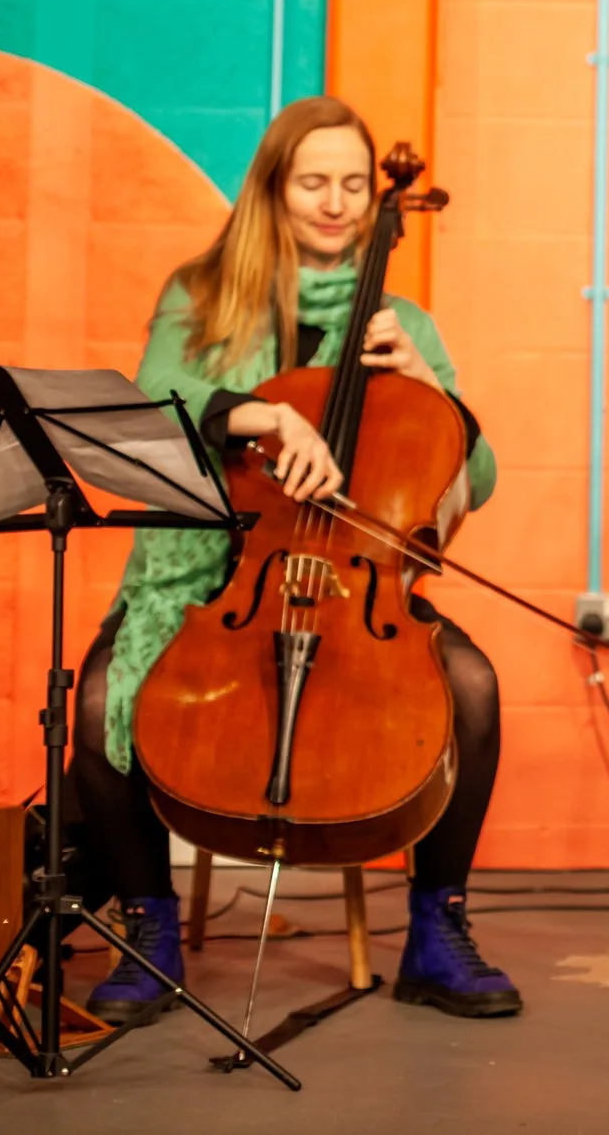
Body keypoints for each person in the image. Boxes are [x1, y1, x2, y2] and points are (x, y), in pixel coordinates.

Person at [69, 97, 522, 1026]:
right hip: (216, 576)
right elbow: (156, 402)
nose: (337, 201)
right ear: (273, 188)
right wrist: (264, 412)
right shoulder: (201, 296)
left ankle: (439, 930)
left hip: (357, 581)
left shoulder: (403, 322)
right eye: (314, 181)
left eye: (354, 185)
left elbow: (471, 481)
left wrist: (430, 388)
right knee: (99, 691)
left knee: (472, 687)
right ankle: (145, 927)